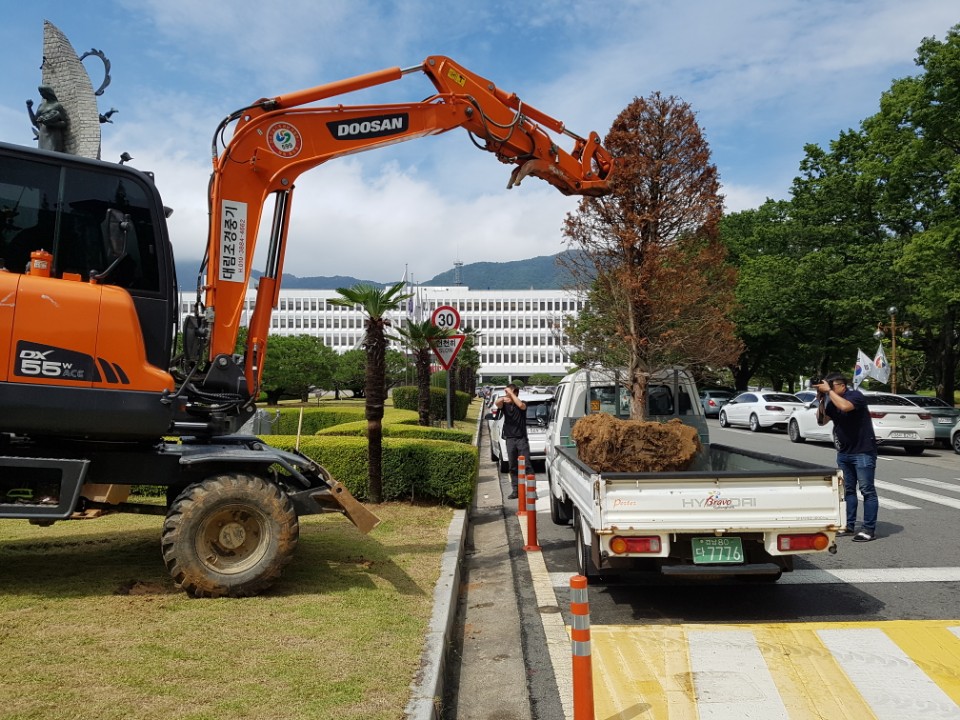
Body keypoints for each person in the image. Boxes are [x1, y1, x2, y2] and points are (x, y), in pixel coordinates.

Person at [814, 372, 878, 542]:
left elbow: (846, 407)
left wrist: (829, 392)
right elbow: (821, 421)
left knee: (867, 490)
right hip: (844, 452)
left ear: (842, 385)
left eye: (831, 385)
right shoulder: (832, 400)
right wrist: (821, 399)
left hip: (863, 450)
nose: (828, 388)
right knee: (848, 490)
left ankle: (868, 529)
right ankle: (849, 526)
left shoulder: (855, 396)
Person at [495, 384, 529, 500]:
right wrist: (505, 396)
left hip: (521, 439)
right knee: (512, 466)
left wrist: (511, 394)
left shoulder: (522, 403)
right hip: (510, 439)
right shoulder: (504, 406)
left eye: (511, 393)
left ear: (516, 394)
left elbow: (520, 405)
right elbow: (497, 403)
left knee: (527, 465)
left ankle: (531, 489)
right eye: (507, 393)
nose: (508, 395)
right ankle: (516, 491)